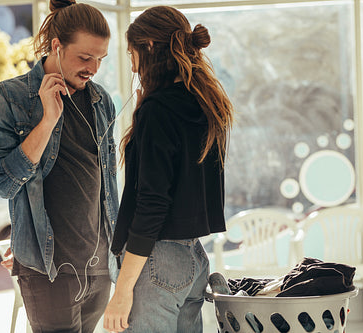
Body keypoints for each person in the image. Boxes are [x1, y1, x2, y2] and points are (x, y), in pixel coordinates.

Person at [0, 0, 119, 332]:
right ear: (57, 46)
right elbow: (2, 183)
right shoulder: (9, 98)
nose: (93, 68)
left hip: (100, 269)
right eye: (85, 57)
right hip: (47, 271)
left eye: (100, 59)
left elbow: (108, 186)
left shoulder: (101, 101)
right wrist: (46, 122)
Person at [103, 5, 234, 333]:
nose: (131, 64)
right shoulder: (207, 103)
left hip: (156, 262)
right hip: (193, 259)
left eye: (132, 53)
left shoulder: (157, 110)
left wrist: (121, 292)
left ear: (148, 48)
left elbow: (152, 205)